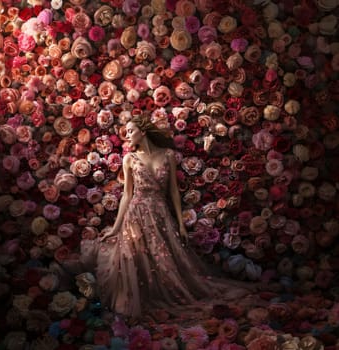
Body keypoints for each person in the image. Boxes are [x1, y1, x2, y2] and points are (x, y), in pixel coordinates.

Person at [80, 115, 257, 320]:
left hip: (161, 213)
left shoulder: (168, 155)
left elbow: (173, 191)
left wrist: (181, 224)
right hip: (136, 214)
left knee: (166, 261)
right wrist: (115, 228)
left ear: (143, 131)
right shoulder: (130, 158)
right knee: (139, 259)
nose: (127, 135)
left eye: (130, 130)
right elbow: (127, 194)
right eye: (126, 132)